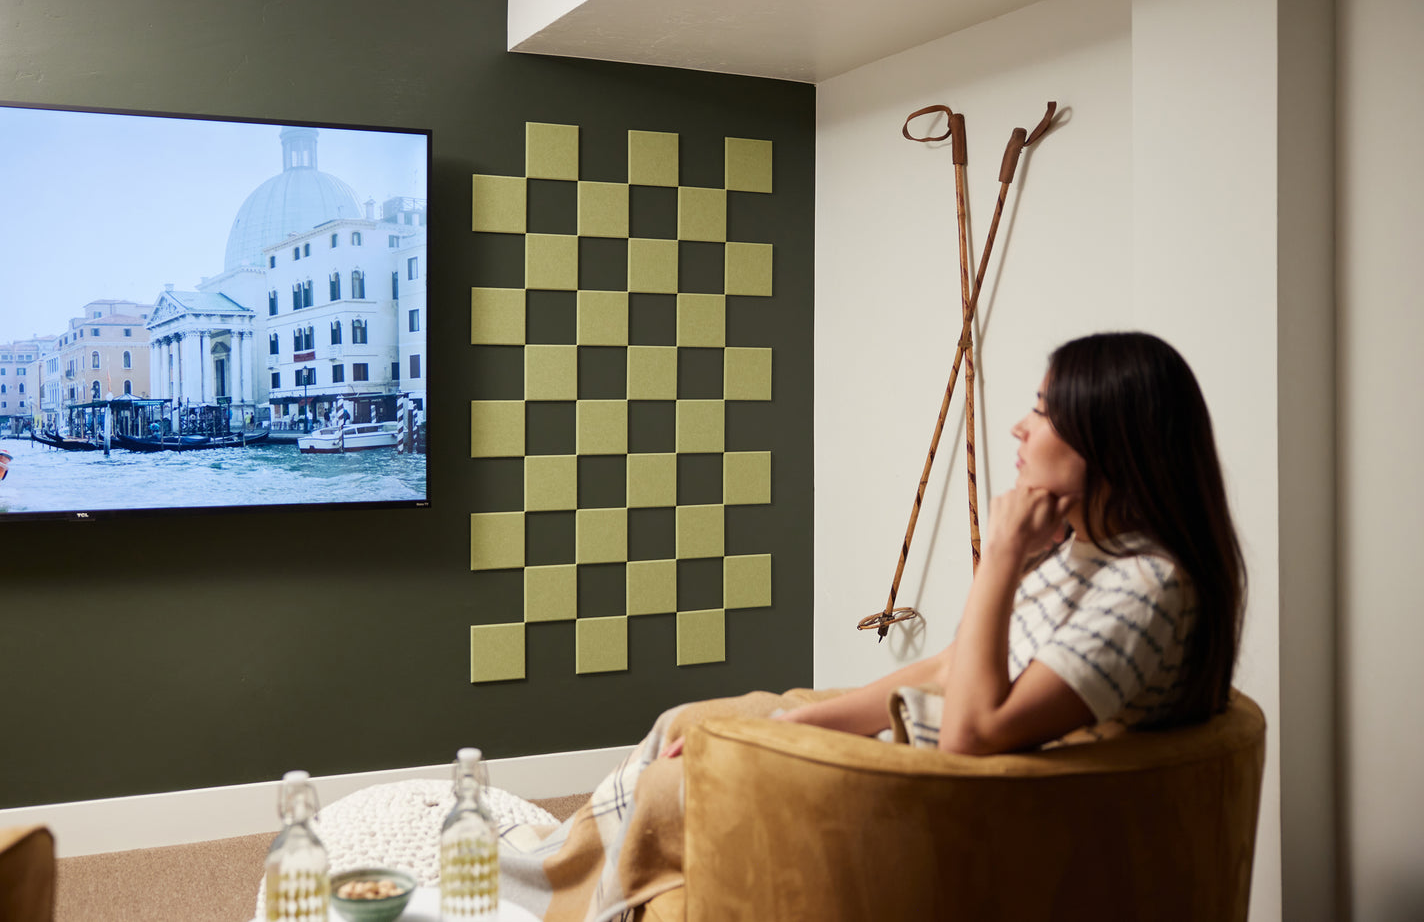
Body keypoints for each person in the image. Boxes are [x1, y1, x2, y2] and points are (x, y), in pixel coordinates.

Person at [497, 331, 1247, 921]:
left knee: (667, 787)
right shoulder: (1087, 550)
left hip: (920, 793)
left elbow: (972, 734)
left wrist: (1001, 560)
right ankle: (538, 873)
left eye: (1045, 409)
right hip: (905, 743)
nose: (1020, 425)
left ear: (1106, 445)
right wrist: (795, 722)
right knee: (687, 720)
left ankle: (512, 893)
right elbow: (950, 665)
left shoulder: (1148, 587)